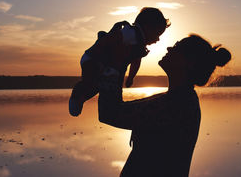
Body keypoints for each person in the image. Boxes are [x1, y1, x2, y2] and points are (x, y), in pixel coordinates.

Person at [98, 34, 231, 177]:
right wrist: (120, 63)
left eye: (176, 47)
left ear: (189, 62)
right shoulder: (177, 99)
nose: (168, 48)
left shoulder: (176, 105)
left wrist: (116, 64)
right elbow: (116, 109)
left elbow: (110, 113)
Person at [69, 7, 171, 117]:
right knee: (90, 82)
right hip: (93, 58)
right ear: (147, 27)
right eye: (157, 34)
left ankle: (80, 98)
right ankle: (77, 93)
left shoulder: (139, 46)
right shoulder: (130, 33)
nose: (158, 39)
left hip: (106, 66)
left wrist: (131, 77)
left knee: (96, 86)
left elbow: (136, 62)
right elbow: (110, 39)